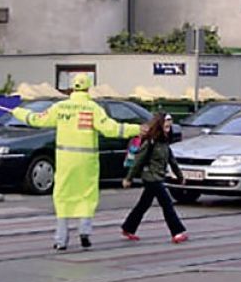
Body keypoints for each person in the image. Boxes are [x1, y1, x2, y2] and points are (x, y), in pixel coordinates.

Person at [11, 73, 143, 251]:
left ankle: (61, 239)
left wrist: (17, 111)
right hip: (86, 161)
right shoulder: (93, 108)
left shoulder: (61, 107)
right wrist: (137, 129)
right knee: (87, 196)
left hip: (66, 160)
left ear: (72, 88)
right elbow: (111, 129)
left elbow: (37, 119)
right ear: (88, 88)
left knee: (63, 196)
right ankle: (84, 232)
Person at [121, 112, 189, 244]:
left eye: (169, 127)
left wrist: (180, 176)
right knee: (167, 204)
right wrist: (128, 178)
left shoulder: (164, 143)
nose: (168, 130)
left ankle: (128, 227)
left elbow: (172, 161)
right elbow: (138, 161)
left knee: (143, 204)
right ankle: (177, 232)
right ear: (159, 126)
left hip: (158, 177)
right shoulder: (150, 142)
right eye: (166, 126)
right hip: (151, 178)